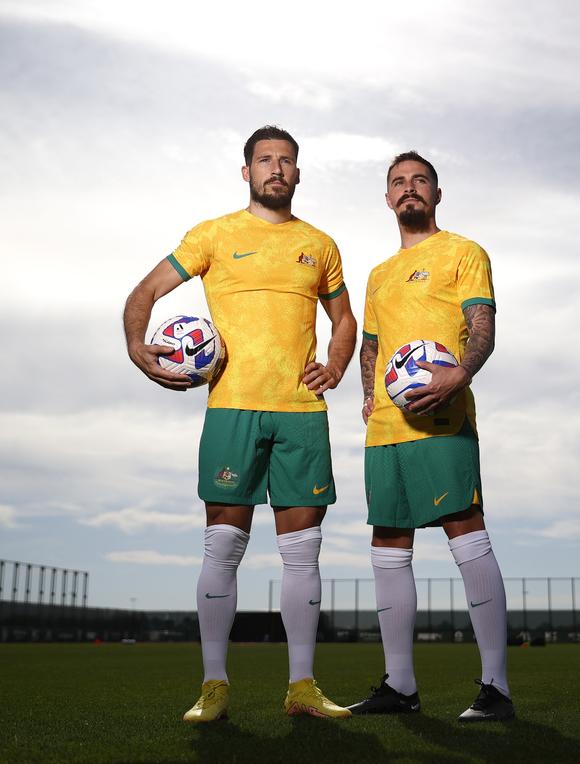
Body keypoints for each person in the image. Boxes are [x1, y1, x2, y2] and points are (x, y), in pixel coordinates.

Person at [123, 126, 357, 722]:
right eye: (264, 160)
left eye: (286, 161)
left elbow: (345, 319)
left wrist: (334, 362)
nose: (275, 169)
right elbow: (145, 292)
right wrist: (137, 347)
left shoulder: (320, 245)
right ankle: (214, 686)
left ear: (298, 174)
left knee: (303, 551)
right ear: (246, 171)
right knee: (223, 544)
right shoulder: (214, 235)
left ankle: (302, 686)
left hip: (301, 412)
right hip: (232, 408)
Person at [347, 151, 514, 722]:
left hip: (444, 418)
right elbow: (371, 345)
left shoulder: (464, 252)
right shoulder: (377, 274)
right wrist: (368, 394)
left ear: (437, 194)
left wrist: (460, 373)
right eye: (398, 182)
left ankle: (496, 688)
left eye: (420, 180)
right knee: (387, 543)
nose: (409, 189)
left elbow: (483, 328)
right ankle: (400, 686)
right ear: (388, 198)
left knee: (465, 529)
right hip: (387, 428)